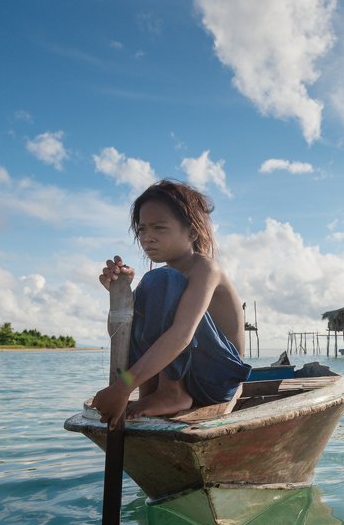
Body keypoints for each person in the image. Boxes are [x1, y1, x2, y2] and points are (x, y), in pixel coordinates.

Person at [92, 179, 251, 429]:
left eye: (159, 228)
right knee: (149, 284)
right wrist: (121, 295)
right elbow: (124, 336)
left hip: (218, 379)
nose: (147, 238)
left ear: (191, 232)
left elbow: (181, 335)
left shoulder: (205, 269)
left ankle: (172, 392)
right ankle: (152, 393)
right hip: (191, 375)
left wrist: (123, 388)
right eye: (142, 229)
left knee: (160, 279)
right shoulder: (158, 282)